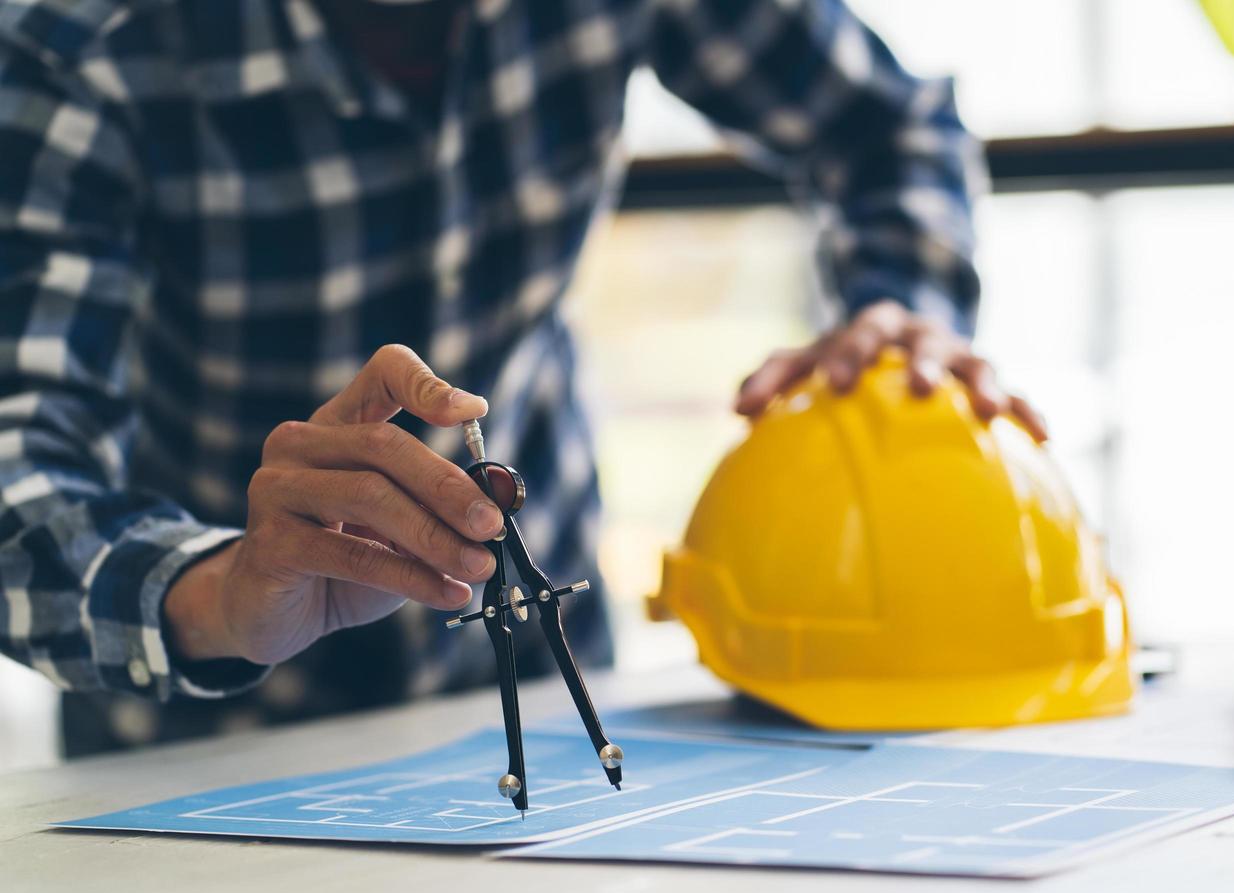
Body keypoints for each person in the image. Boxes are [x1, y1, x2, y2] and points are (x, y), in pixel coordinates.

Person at [0, 0, 1045, 756]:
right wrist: (222, 591)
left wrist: (899, 306)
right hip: (195, 741)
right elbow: (18, 475)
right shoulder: (83, 44)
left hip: (546, 698)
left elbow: (888, 128)